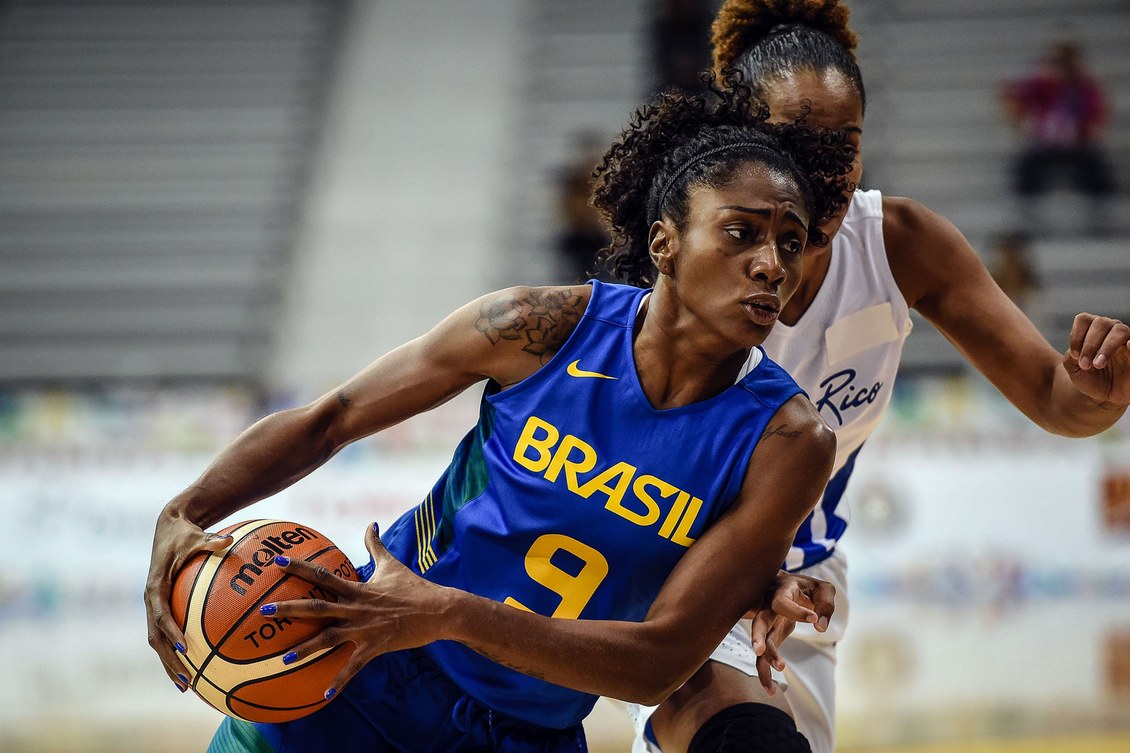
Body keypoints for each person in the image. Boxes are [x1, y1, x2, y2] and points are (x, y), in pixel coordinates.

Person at [145, 76, 857, 753]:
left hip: (526, 727)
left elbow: (658, 663)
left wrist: (449, 611)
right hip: (362, 667)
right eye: (742, 233)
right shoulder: (537, 326)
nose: (772, 264)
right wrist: (185, 510)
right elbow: (331, 417)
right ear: (664, 242)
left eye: (789, 243)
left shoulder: (788, 441)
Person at [625, 3, 1130, 752]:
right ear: (743, 135)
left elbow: (1059, 404)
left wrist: (1095, 394)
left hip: (808, 590)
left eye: (846, 143)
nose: (827, 171)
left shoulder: (901, 246)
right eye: (799, 142)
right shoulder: (684, 260)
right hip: (684, 579)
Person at [1000, 37, 1117, 234]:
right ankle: (1025, 212)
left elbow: (1098, 115)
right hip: (1045, 145)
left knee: (1097, 165)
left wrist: (1088, 132)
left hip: (1077, 145)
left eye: (1066, 62)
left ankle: (1101, 213)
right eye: (1057, 62)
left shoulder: (1086, 86)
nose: (1061, 69)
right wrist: (1021, 121)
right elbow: (1013, 101)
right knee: (1025, 165)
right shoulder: (1040, 83)